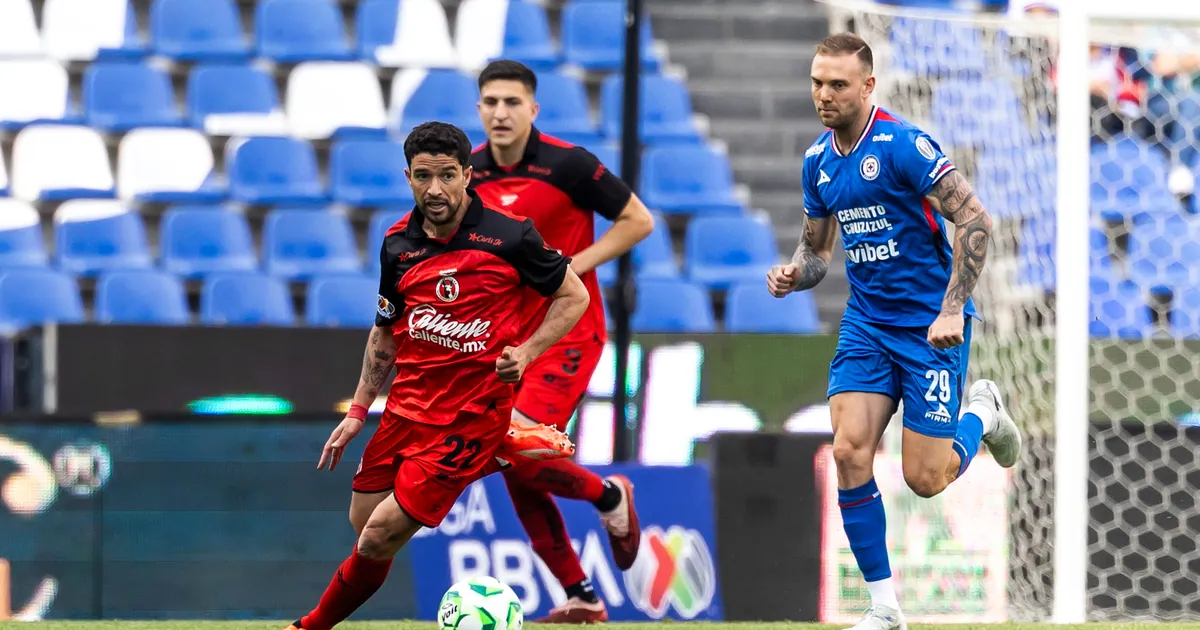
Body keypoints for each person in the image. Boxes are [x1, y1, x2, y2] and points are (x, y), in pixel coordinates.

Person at [283, 121, 591, 630]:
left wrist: (529, 352)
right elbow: (384, 333)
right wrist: (359, 411)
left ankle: (308, 627)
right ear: (408, 177)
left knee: (380, 534)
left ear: (468, 175)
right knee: (365, 526)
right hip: (407, 409)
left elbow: (574, 295)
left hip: (471, 413)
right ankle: (502, 450)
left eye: (447, 175)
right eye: (423, 177)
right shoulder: (397, 247)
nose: (435, 189)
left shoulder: (511, 236)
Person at [766, 33, 1023, 630]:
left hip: (930, 329)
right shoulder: (816, 162)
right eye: (815, 82)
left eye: (836, 84)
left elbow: (974, 218)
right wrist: (792, 274)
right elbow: (817, 253)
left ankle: (980, 412)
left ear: (867, 86)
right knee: (850, 451)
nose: (823, 95)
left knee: (924, 478)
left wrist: (954, 307)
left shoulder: (904, 144)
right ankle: (885, 608)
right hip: (867, 325)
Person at [468, 59, 656, 623]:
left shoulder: (569, 165)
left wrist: (572, 266)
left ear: (533, 109)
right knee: (512, 460)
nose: (501, 113)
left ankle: (611, 497)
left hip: (569, 331)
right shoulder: (468, 172)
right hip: (505, 339)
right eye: (491, 103)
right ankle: (581, 595)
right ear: (479, 109)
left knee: (516, 449)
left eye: (512, 102)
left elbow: (637, 220)